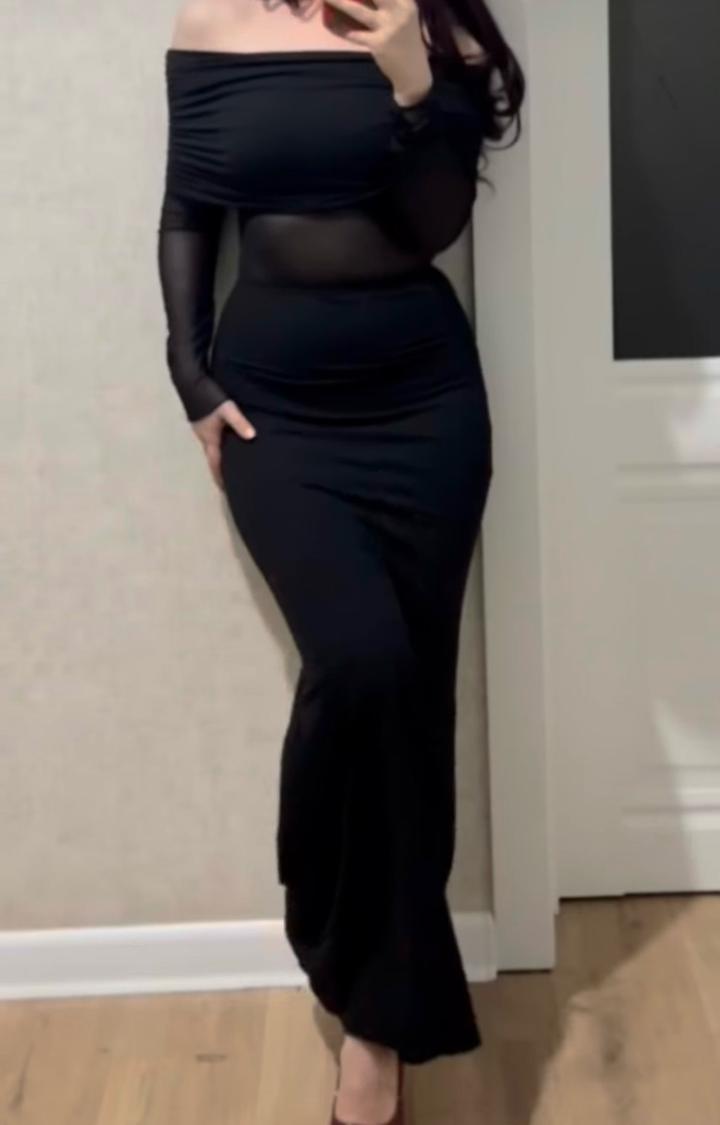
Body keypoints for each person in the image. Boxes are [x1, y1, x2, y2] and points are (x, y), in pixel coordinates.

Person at [156, 0, 524, 1121]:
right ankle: (327, 910)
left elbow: (432, 226)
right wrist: (192, 376)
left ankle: (376, 1027)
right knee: (360, 662)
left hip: (426, 408)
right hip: (280, 414)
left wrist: (414, 85)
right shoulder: (214, 27)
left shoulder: (440, 32)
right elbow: (189, 211)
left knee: (412, 703)